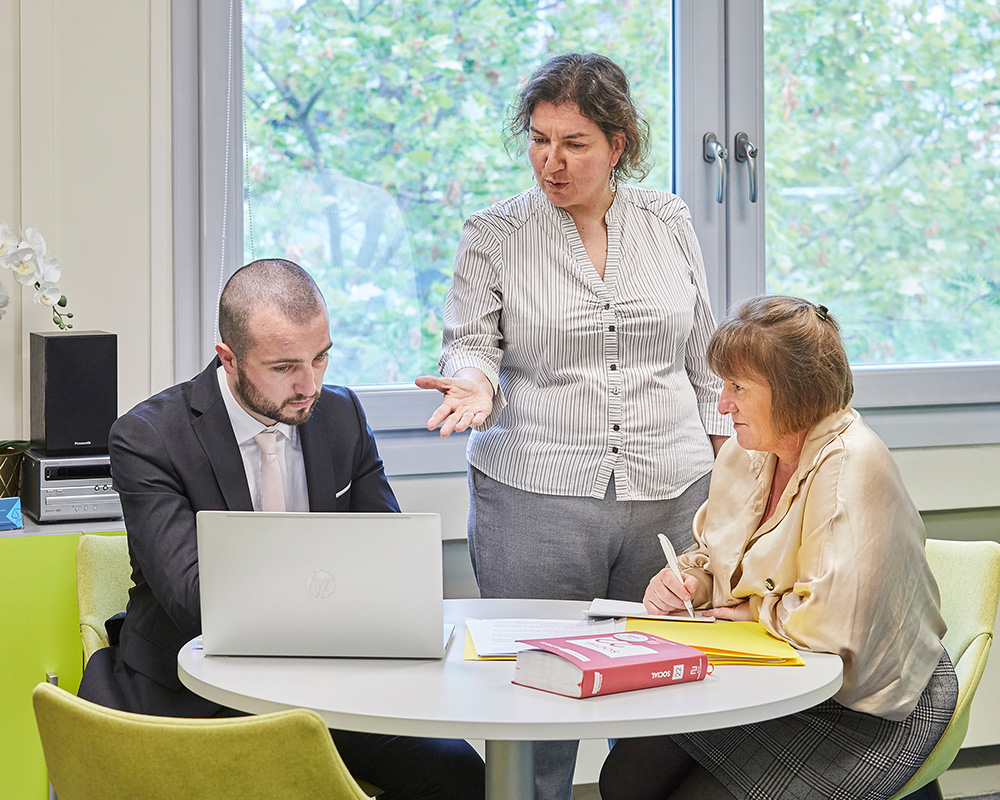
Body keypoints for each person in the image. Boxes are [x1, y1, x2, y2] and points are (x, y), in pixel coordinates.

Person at [415, 52, 732, 800]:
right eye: (538, 139)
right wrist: (475, 385)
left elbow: (706, 356)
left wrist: (732, 487)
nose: (551, 162)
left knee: (667, 711)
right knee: (537, 711)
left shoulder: (670, 220)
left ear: (618, 143)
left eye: (574, 143)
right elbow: (471, 343)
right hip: (534, 499)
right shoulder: (493, 232)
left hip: (673, 493)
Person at [78, 259, 484, 800]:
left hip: (333, 691)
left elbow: (391, 566)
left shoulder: (341, 415)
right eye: (284, 366)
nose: (308, 384)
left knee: (460, 775)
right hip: (198, 690)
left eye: (320, 357)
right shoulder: (149, 438)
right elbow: (196, 603)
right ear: (228, 359)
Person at [598, 295, 958, 800]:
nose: (722, 404)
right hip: (769, 673)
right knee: (623, 779)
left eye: (738, 387)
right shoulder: (748, 452)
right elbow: (718, 557)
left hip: (862, 699)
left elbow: (833, 630)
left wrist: (752, 613)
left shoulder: (853, 468)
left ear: (792, 392)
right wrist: (694, 582)